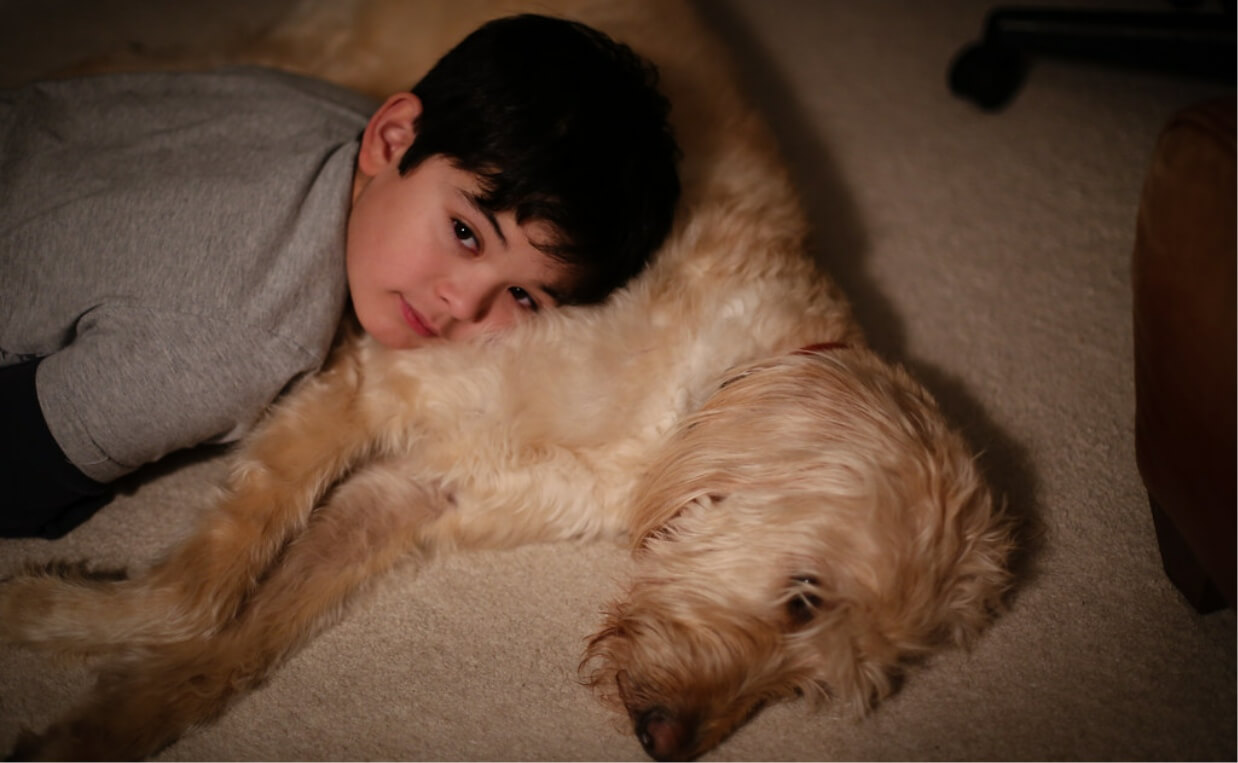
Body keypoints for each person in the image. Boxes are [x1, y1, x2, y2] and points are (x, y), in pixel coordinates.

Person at [0, 14, 681, 539]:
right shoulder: (242, 337)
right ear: (394, 138)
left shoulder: (335, 114)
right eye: (467, 232)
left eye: (524, 295)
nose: (462, 304)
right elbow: (21, 467)